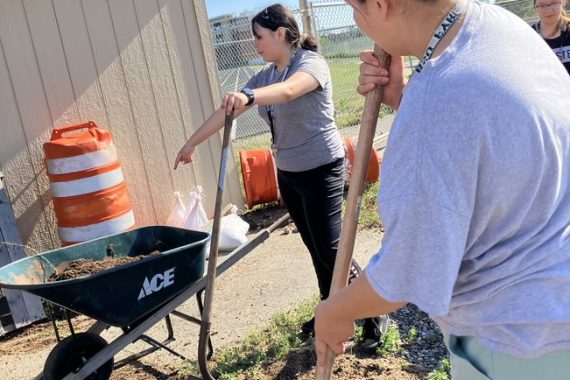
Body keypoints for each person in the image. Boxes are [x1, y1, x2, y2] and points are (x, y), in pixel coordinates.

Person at [314, 0, 570, 378]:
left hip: (517, 344)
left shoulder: (437, 103)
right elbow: (476, 145)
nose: (357, 21)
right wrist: (402, 94)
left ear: (382, 5)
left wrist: (334, 311)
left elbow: (410, 270)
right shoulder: (499, 26)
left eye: (356, 8)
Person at [175, 3, 383, 349]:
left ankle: (374, 314)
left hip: (322, 170)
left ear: (282, 34)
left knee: (333, 250)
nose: (254, 43)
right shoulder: (267, 74)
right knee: (315, 249)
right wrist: (191, 143)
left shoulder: (309, 64)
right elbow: (228, 109)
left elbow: (289, 92)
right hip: (290, 174)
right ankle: (327, 312)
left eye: (259, 36)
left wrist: (249, 95)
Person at [532, 0, 570, 74]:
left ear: (563, 3)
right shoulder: (528, 35)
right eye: (541, 5)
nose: (548, 10)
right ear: (535, 7)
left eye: (554, 3)